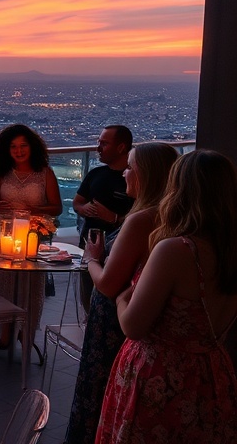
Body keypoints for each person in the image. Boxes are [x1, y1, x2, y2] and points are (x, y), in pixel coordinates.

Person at [96, 150, 237, 443]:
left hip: (160, 376)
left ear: (180, 189)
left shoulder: (177, 250)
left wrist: (124, 297)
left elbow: (133, 326)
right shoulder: (230, 250)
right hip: (212, 373)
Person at [66, 142, 177, 444]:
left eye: (131, 168)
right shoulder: (168, 217)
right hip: (131, 320)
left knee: (98, 388)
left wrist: (90, 259)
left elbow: (108, 284)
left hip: (112, 322)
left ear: (146, 176)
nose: (125, 174)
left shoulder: (140, 220)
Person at [0, 124, 62, 352]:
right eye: (13, 147)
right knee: (3, 283)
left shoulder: (45, 173)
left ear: (32, 146)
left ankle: (26, 332)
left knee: (29, 285)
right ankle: (5, 332)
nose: (18, 151)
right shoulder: (0, 172)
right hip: (6, 235)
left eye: (23, 146)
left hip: (30, 236)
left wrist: (33, 212)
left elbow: (56, 207)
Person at [74, 125, 134, 313]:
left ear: (121, 147)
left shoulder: (135, 180)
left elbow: (144, 213)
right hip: (90, 245)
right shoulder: (95, 174)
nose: (98, 148)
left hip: (120, 252)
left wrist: (114, 218)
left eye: (104, 144)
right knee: (88, 297)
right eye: (99, 143)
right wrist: (85, 209)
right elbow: (77, 203)